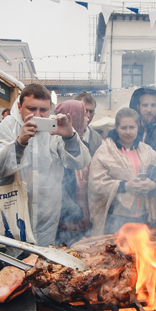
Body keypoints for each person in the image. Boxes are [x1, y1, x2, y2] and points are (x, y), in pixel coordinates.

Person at [0, 83, 90, 247]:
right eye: (31, 108)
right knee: (13, 265)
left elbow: (80, 162)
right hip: (12, 213)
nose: (37, 115)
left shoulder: (55, 127)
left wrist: (70, 137)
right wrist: (20, 142)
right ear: (20, 107)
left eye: (43, 110)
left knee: (41, 267)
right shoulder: (6, 127)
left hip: (46, 217)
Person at [89, 108, 156, 235]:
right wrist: (124, 186)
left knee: (139, 253)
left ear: (138, 127)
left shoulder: (147, 150)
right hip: (116, 217)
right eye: (123, 128)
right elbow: (96, 183)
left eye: (132, 127)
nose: (128, 132)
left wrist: (152, 184)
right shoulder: (105, 150)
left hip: (143, 216)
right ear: (116, 127)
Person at [55, 99, 98, 246]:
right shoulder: (58, 144)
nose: (87, 118)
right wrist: (75, 212)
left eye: (88, 113)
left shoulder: (83, 145)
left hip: (85, 221)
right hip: (66, 223)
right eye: (82, 114)